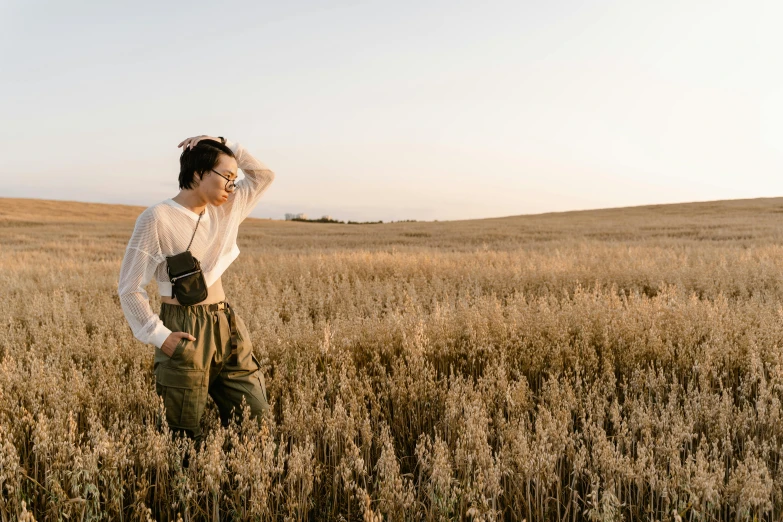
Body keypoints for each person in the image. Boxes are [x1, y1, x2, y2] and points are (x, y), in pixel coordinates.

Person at [118, 135, 275, 447]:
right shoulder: (157, 218)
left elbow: (264, 176)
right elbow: (129, 287)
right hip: (184, 327)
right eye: (227, 177)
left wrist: (225, 143)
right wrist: (160, 336)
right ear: (200, 173)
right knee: (184, 436)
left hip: (226, 324)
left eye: (234, 178)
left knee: (256, 422)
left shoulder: (226, 209)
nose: (233, 185)